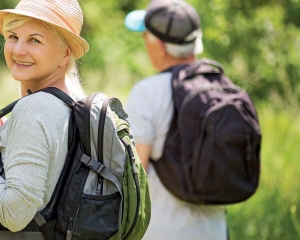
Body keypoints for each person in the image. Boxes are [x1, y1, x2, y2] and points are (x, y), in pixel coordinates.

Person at [124, 1, 228, 239]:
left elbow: (135, 175)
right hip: (215, 231)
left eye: (145, 37)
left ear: (159, 45)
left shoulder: (147, 92)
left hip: (162, 231)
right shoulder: (220, 87)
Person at [0, 0, 88, 238]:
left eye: (35, 40)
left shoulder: (34, 109)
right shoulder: (74, 101)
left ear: (65, 54)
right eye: (12, 36)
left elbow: (14, 214)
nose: (17, 50)